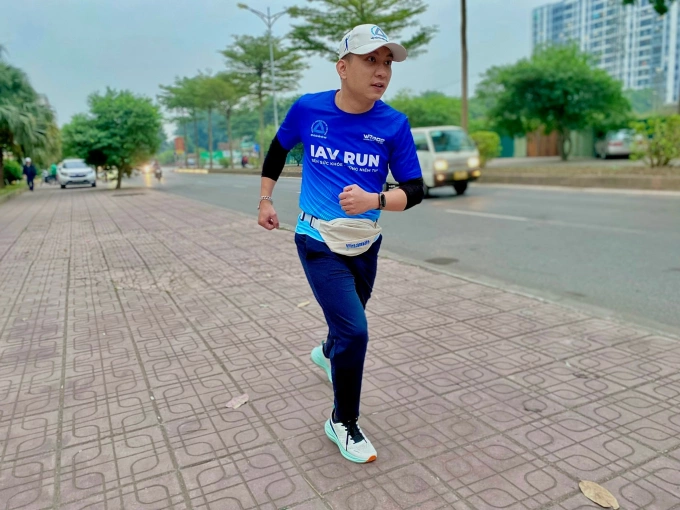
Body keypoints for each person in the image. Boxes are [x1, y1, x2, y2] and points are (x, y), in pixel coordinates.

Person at [257, 23, 424, 464]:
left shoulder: (393, 124)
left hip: (365, 244)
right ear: (343, 67)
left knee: (347, 326)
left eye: (387, 63)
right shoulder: (308, 109)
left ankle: (327, 353)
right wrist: (265, 199)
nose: (381, 71)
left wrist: (376, 200)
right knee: (355, 330)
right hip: (316, 239)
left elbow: (415, 189)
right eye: (371, 60)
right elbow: (278, 149)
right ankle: (342, 422)